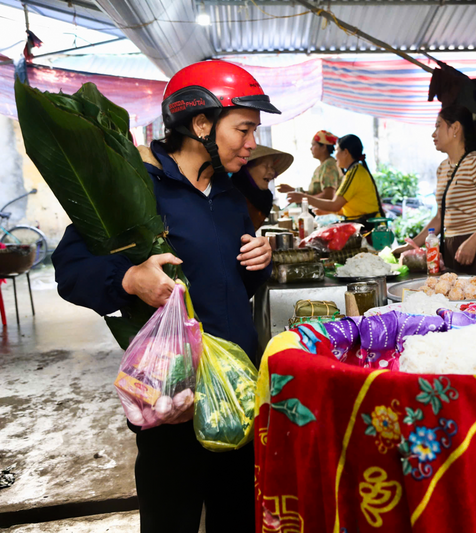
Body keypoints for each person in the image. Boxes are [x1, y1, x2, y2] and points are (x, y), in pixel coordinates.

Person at [51, 60, 277, 532]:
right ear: (200, 124)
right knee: (170, 519)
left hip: (235, 395)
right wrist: (130, 278)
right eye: (244, 128)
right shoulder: (135, 186)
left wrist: (259, 262)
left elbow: (230, 284)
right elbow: (70, 271)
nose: (252, 142)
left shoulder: (232, 193)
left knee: (237, 516)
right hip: (171, 398)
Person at [394, 104, 476, 275]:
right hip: (451, 248)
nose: (433, 134)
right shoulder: (443, 168)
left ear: (455, 127)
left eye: (438, 126)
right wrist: (412, 244)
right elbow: (440, 216)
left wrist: (473, 242)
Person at [287, 134, 383, 224]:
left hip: (368, 227)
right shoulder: (353, 171)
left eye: (337, 150)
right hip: (363, 223)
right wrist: (328, 211)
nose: (335, 155)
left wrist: (304, 198)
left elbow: (335, 205)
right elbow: (350, 208)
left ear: (345, 152)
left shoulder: (355, 172)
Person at [233, 144, 294, 228]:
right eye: (265, 166)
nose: (271, 172)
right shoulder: (233, 198)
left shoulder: (262, 199)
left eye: (272, 167)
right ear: (247, 168)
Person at [277, 130, 340, 200]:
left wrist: (303, 199)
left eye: (313, 145)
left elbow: (329, 195)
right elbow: (314, 194)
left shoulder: (329, 165)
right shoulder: (322, 166)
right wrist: (293, 190)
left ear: (323, 147)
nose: (311, 148)